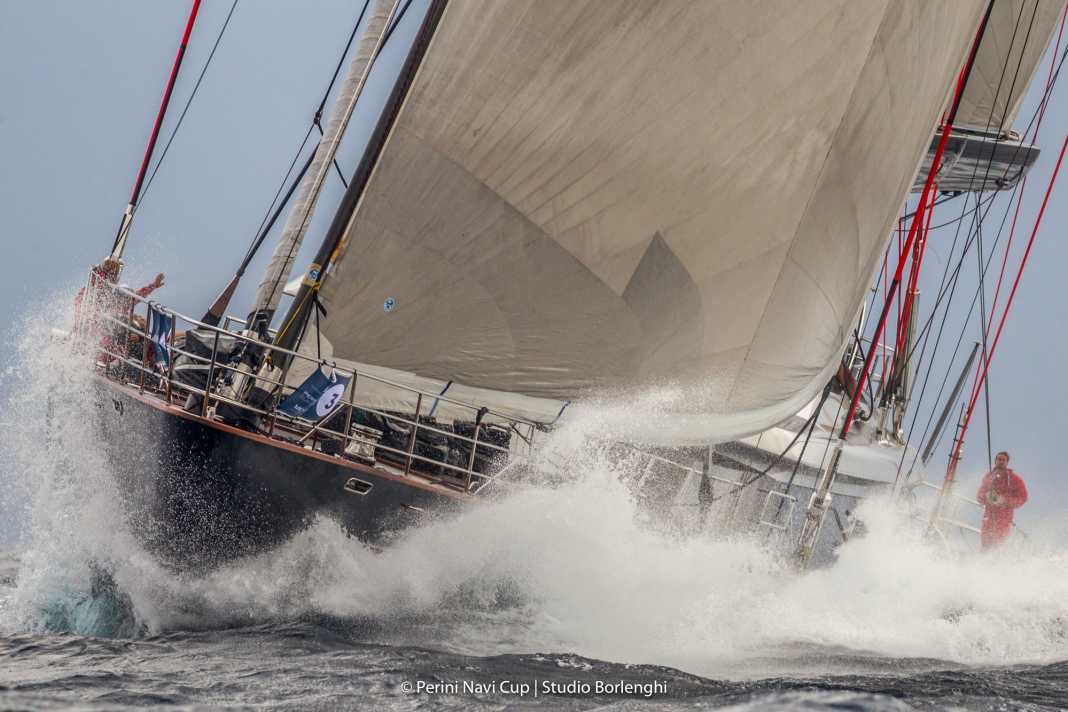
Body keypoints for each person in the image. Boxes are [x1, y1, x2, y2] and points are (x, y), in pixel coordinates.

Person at [976, 451, 1028, 550]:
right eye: (999, 459)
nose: (1001, 462)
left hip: (1004, 518)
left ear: (1007, 462)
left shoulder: (1015, 479)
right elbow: (979, 495)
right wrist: (986, 497)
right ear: (995, 461)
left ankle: (995, 562)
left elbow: (1023, 497)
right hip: (989, 517)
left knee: (998, 544)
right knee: (985, 544)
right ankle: (982, 561)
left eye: (1003, 460)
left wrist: (1005, 501)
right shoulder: (989, 477)